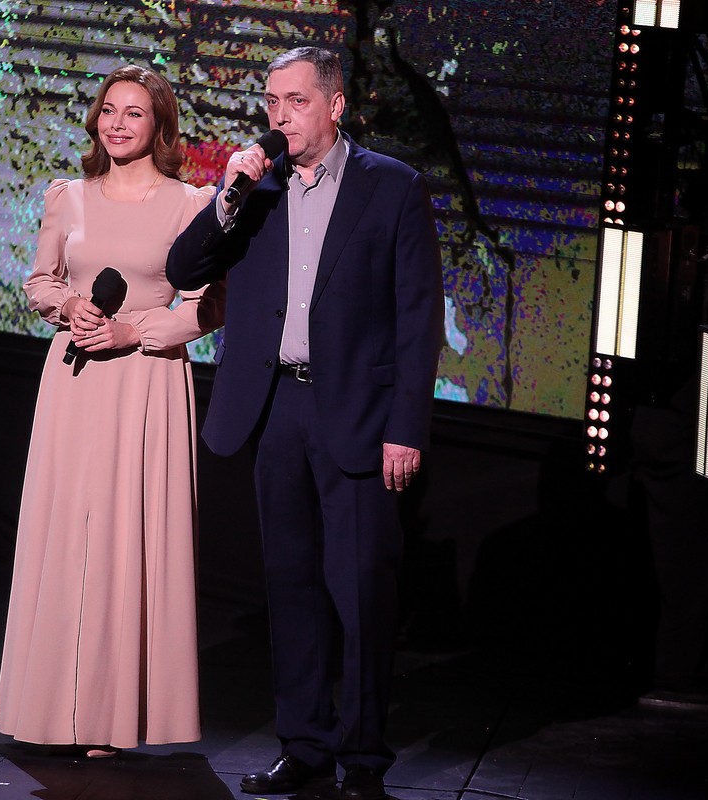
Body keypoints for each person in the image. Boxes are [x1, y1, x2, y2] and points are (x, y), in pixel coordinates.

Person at [166, 46, 445, 800]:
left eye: (295, 101)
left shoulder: (393, 187)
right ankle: (306, 746)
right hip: (277, 408)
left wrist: (406, 426)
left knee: (360, 592)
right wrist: (226, 197)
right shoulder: (254, 190)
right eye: (271, 102)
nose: (280, 116)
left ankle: (363, 758)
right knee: (289, 587)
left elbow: (419, 318)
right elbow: (184, 269)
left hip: (357, 410)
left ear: (335, 105)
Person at [0, 64, 224, 756]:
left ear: (160, 126)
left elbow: (206, 308)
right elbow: (41, 281)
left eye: (134, 113)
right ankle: (49, 710)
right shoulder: (68, 196)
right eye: (108, 111)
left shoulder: (191, 206)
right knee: (64, 533)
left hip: (147, 379)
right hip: (75, 380)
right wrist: (71, 305)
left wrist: (133, 331)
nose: (117, 124)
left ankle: (111, 718)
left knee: (129, 540)